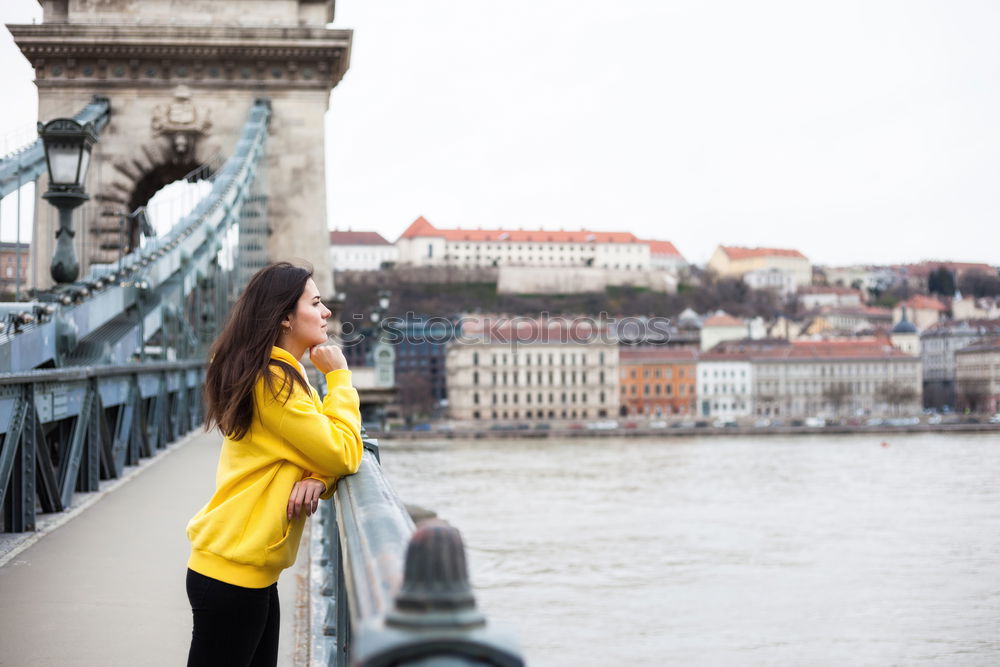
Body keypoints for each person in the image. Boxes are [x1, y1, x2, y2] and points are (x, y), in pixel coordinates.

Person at [185, 262, 363, 666]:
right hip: (233, 575)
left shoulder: (279, 373)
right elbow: (342, 450)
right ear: (285, 316)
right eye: (316, 303)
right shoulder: (275, 383)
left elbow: (323, 450)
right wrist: (339, 379)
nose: (326, 313)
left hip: (248, 571)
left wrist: (319, 476)